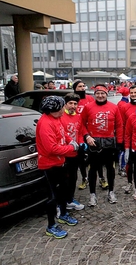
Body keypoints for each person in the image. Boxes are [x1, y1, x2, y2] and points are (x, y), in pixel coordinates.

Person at [36, 96, 80, 239]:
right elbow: (51, 148)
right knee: (52, 197)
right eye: (62, 107)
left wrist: (71, 141)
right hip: (49, 165)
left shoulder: (56, 118)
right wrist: (70, 148)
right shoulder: (45, 123)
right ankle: (51, 225)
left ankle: (63, 214)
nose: (64, 109)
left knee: (63, 190)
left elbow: (63, 133)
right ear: (54, 109)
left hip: (60, 162)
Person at [81, 84, 124, 206]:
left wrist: (119, 143)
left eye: (103, 93)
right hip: (93, 143)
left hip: (109, 143)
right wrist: (87, 136)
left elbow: (119, 126)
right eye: (98, 93)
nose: (100, 96)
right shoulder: (88, 107)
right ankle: (92, 195)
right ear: (95, 94)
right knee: (93, 169)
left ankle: (111, 192)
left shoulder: (114, 108)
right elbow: (81, 124)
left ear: (107, 94)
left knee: (110, 169)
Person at [60, 93, 86, 211]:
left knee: (74, 178)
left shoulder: (78, 117)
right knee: (63, 179)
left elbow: (79, 132)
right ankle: (62, 202)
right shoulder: (60, 116)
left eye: (75, 104)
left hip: (75, 153)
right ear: (65, 104)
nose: (73, 106)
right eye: (70, 103)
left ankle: (70, 199)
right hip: (63, 154)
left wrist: (81, 142)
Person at [72, 80, 97, 190]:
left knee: (94, 157)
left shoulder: (90, 99)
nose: (82, 88)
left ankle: (100, 177)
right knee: (80, 158)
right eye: (79, 86)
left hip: (91, 132)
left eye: (83, 86)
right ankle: (84, 178)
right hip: (78, 132)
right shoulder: (73, 100)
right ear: (75, 88)